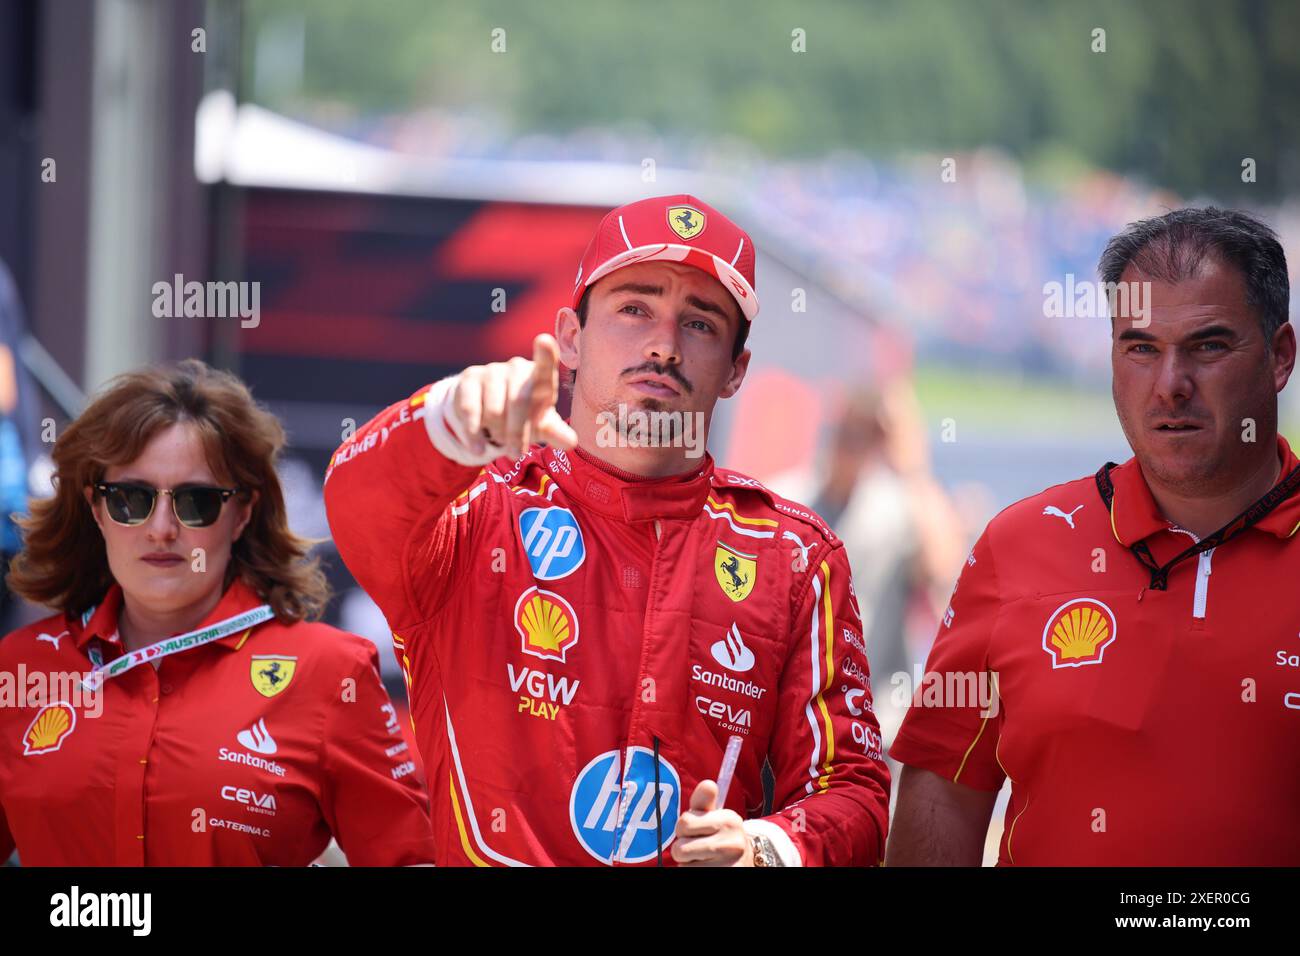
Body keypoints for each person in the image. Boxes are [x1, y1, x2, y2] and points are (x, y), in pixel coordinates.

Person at [324, 194, 890, 866]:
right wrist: (447, 418)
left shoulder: (792, 554)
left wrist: (769, 847)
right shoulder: (479, 514)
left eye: (701, 324)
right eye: (634, 308)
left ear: (736, 370)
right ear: (569, 336)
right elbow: (359, 502)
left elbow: (854, 789)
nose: (663, 344)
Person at [887, 207, 1300, 866]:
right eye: (1141, 348)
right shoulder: (1016, 546)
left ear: (1280, 356)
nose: (1171, 386)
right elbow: (943, 785)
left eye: (1209, 346)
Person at [0, 360, 437, 865]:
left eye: (196, 502)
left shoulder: (328, 671)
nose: (161, 528)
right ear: (96, 509)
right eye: (130, 499)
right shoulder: (21, 669)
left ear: (242, 512)